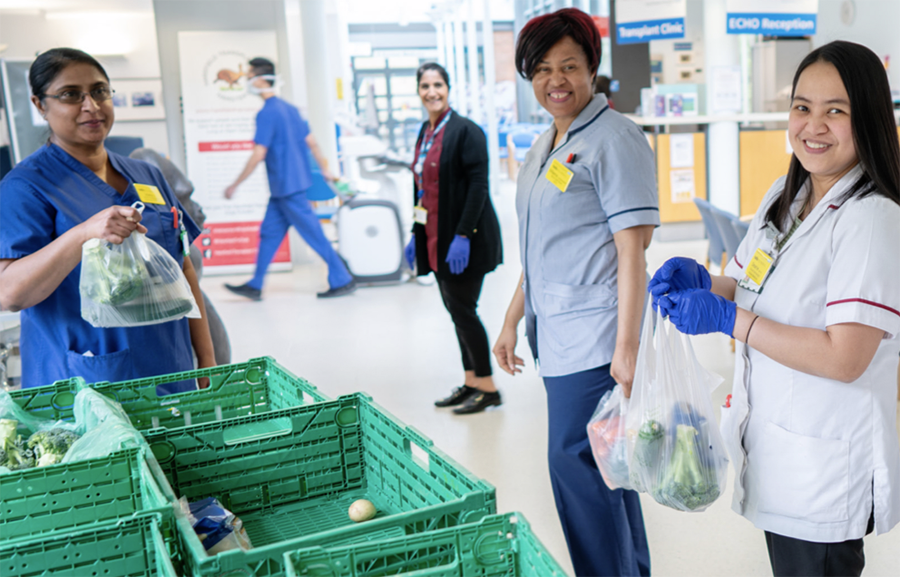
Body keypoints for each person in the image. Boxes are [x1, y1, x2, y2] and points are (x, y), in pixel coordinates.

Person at [650, 41, 900, 577]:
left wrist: (728, 319)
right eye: (802, 107)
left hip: (825, 472)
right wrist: (705, 283)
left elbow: (845, 358)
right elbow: (742, 283)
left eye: (836, 110)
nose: (814, 125)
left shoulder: (872, 218)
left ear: (871, 119)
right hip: (779, 453)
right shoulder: (784, 196)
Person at [491, 8, 657, 577]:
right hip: (555, 330)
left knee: (577, 468)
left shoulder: (615, 139)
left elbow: (632, 251)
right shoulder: (547, 144)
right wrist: (512, 319)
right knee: (604, 470)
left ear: (592, 69)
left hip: (596, 337)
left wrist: (627, 349)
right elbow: (543, 248)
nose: (554, 80)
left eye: (569, 66)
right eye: (541, 69)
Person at [0, 48, 215, 393]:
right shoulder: (26, 186)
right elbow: (9, 294)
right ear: (41, 105)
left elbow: (183, 266)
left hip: (170, 366)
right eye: (71, 95)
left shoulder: (147, 174)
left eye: (100, 91)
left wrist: (206, 358)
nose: (91, 106)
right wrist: (84, 233)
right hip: (86, 378)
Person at [404, 62, 503, 415]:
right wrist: (414, 234)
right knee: (456, 311)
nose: (432, 91)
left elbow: (478, 186)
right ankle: (472, 380)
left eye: (438, 84)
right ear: (419, 90)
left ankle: (489, 387)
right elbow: (421, 187)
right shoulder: (425, 131)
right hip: (434, 236)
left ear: (448, 88)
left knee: (464, 311)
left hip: (465, 240)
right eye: (425, 85)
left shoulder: (466, 131)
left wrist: (463, 235)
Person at [223, 57, 356, 300]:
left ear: (260, 79)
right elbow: (313, 143)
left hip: (288, 188)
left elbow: (258, 154)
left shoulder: (266, 113)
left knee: (313, 234)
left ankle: (342, 278)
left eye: (250, 75)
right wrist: (325, 168)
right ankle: (255, 284)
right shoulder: (291, 110)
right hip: (285, 188)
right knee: (269, 234)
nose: (248, 80)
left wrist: (235, 184)